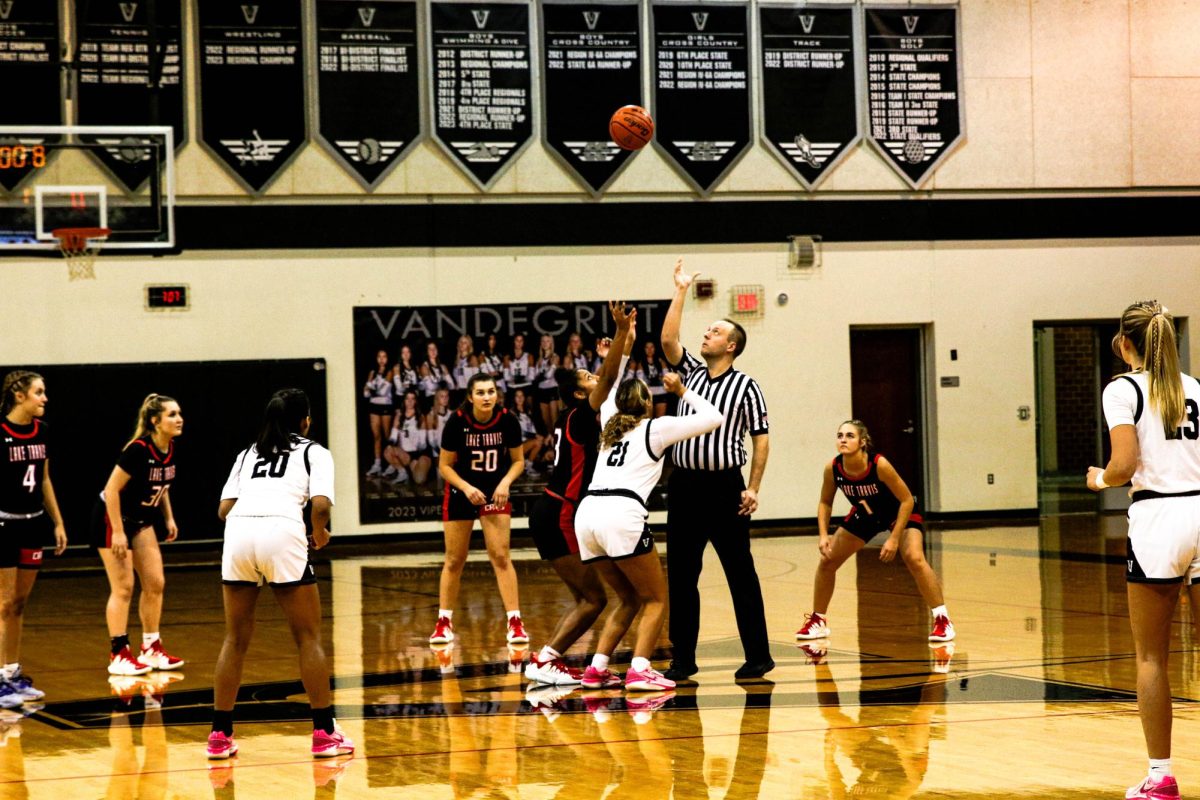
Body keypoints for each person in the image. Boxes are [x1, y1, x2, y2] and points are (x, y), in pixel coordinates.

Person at [1087, 301, 1200, 800]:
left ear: (1124, 344)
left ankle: (1161, 778)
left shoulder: (1122, 388)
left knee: (1152, 655)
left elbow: (1124, 464)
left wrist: (1099, 479)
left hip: (1159, 520)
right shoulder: (1195, 388)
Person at [207, 388, 354, 760]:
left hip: (238, 532)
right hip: (282, 530)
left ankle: (219, 736)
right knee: (307, 637)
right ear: (305, 420)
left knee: (235, 639)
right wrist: (319, 532)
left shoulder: (247, 453)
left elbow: (224, 509)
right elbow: (320, 505)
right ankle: (324, 732)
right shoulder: (313, 451)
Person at [574, 347, 724, 693]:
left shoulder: (609, 421)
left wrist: (619, 353)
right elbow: (714, 417)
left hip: (588, 514)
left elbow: (609, 385)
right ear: (645, 404)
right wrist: (683, 392)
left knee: (627, 598)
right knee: (656, 599)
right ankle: (640, 670)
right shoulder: (656, 428)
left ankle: (597, 669)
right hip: (621, 514)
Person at [660, 260, 773, 681]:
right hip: (686, 486)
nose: (706, 334)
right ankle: (684, 659)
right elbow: (668, 337)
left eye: (715, 332)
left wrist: (754, 488)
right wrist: (681, 290)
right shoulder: (690, 372)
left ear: (731, 346)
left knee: (740, 573)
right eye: (707, 331)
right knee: (683, 577)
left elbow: (760, 438)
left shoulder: (746, 386)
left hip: (726, 487)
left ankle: (758, 656)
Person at [524, 307, 629, 686]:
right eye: (588, 377)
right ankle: (545, 660)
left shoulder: (582, 416)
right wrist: (619, 336)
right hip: (560, 513)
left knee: (591, 598)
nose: (596, 376)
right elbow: (612, 379)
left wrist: (621, 345)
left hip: (558, 511)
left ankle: (548, 659)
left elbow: (614, 383)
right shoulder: (581, 415)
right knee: (594, 599)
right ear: (578, 393)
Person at [795, 419, 955, 645]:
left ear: (862, 442)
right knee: (827, 561)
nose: (843, 439)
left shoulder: (879, 464)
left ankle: (942, 620)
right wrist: (823, 534)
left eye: (849, 436)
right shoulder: (833, 468)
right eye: (840, 435)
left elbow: (907, 500)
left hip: (899, 513)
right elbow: (825, 502)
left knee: (914, 557)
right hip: (867, 514)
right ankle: (818, 621)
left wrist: (894, 538)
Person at [430, 372, 528, 646]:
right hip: (462, 491)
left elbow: (518, 461)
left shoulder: (507, 419)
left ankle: (515, 622)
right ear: (470, 397)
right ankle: (443, 622)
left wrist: (505, 483)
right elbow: (444, 466)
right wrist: (466, 488)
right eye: (481, 392)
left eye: (491, 391)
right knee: (454, 559)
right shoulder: (457, 422)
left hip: (495, 491)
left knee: (500, 555)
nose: (487, 397)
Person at [91, 393, 185, 676]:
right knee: (123, 587)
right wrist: (118, 531)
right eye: (171, 414)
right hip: (112, 518)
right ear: (155, 421)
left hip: (142, 520)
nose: (179, 418)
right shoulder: (137, 450)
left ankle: (151, 648)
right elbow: (111, 491)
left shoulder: (168, 448)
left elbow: (162, 485)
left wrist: (168, 517)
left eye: (179, 413)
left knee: (155, 582)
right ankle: (119, 653)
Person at [0, 370, 68, 705]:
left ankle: (12, 673)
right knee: (4, 603)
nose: (45, 398)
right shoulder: (0, 433)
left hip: (33, 523)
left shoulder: (42, 431)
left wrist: (57, 522)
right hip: (3, 525)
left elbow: (44, 479)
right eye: (39, 392)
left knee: (20, 604)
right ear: (19, 395)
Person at [383, 389, 432, 487]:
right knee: (388, 451)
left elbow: (423, 444)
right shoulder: (399, 415)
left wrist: (416, 455)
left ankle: (413, 469)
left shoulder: (420, 416)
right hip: (405, 455)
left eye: (412, 399)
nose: (409, 402)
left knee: (419, 480)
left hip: (420, 454)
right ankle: (402, 473)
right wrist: (392, 446)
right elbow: (393, 437)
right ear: (404, 401)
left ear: (415, 401)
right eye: (407, 399)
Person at [363, 349, 393, 477]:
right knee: (376, 436)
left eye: (384, 356)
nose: (382, 359)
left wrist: (372, 390)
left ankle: (392, 463)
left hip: (386, 406)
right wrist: (371, 390)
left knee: (387, 436)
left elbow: (383, 390)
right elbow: (365, 393)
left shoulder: (390, 372)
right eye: (379, 356)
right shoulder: (372, 372)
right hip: (374, 406)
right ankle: (377, 464)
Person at [509, 387, 546, 476]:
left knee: (540, 441)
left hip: (527, 442)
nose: (520, 398)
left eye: (522, 396)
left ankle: (528, 464)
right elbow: (518, 431)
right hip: (516, 446)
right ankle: (528, 466)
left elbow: (533, 428)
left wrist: (538, 435)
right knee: (538, 441)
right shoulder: (511, 413)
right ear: (514, 398)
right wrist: (535, 436)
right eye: (517, 396)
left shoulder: (528, 411)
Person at [534, 334, 560, 435]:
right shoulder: (539, 359)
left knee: (554, 420)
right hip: (541, 391)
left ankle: (557, 444)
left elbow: (549, 375)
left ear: (551, 343)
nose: (545, 343)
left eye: (547, 341)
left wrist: (540, 376)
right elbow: (534, 377)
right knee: (546, 422)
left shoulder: (555, 357)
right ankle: (550, 442)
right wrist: (540, 376)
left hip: (552, 390)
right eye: (543, 341)